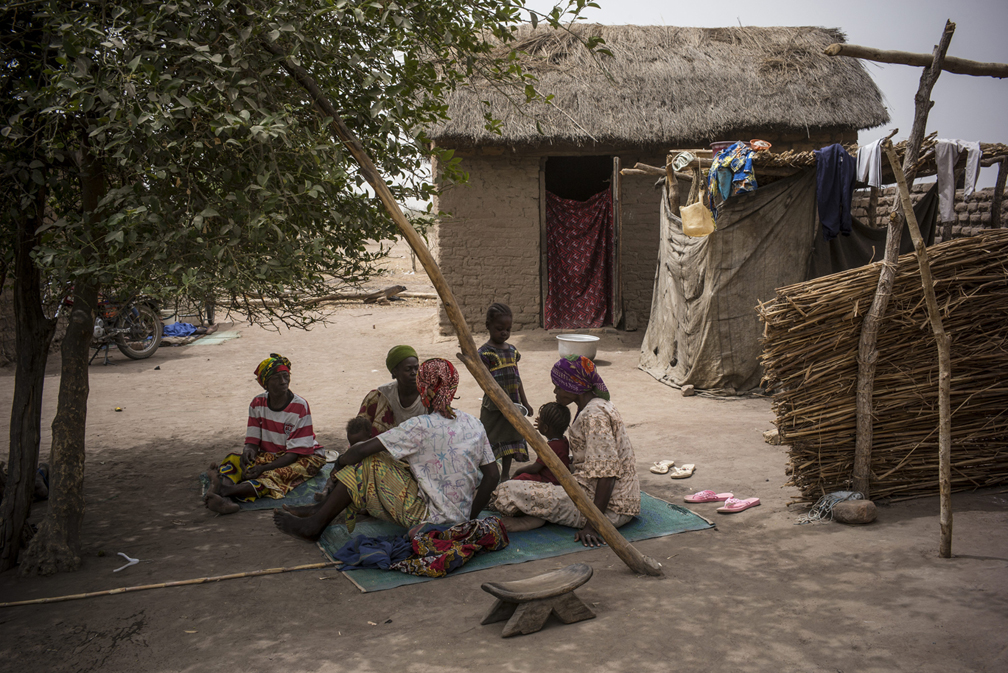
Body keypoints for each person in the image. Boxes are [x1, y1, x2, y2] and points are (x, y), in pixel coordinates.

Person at [274, 358, 500, 540]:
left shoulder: (419, 426)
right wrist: (469, 517)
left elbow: (361, 452)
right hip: (460, 518)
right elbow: (492, 475)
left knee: (368, 460)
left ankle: (316, 522)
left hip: (428, 517)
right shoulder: (473, 423)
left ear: (423, 388)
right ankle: (319, 513)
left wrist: (341, 461)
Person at [491, 355, 640, 547]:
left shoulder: (593, 416)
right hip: (610, 500)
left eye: (559, 386)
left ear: (573, 387)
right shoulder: (597, 406)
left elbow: (607, 476)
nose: (555, 391)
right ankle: (541, 515)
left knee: (507, 491)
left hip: (611, 510)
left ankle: (541, 516)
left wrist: (594, 526)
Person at [204, 354, 326, 515]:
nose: (283, 382)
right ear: (265, 384)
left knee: (273, 476)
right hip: (270, 455)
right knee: (234, 459)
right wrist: (248, 453)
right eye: (277, 378)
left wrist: (264, 468)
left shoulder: (299, 406)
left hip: (302, 456)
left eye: (285, 376)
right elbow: (252, 442)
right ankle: (226, 498)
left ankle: (223, 490)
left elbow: (293, 455)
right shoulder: (257, 403)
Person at [478, 303, 532, 481]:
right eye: (499, 328)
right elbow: (484, 383)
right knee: (491, 440)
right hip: (494, 408)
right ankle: (490, 474)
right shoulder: (485, 353)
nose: (504, 333)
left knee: (510, 440)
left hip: (514, 405)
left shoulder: (512, 351)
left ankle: (505, 475)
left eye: (508, 329)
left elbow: (517, 379)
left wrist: (525, 402)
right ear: (488, 325)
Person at [358, 345, 425, 437]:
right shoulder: (383, 394)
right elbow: (359, 427)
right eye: (408, 369)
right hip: (388, 445)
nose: (414, 373)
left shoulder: (428, 395)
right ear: (395, 372)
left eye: (416, 368)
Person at [512, 402, 571, 485]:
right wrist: (541, 426)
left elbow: (534, 468)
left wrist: (519, 471)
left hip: (549, 480)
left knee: (520, 478)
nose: (537, 420)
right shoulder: (563, 440)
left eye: (540, 420)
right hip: (557, 478)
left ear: (546, 428)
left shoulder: (551, 447)